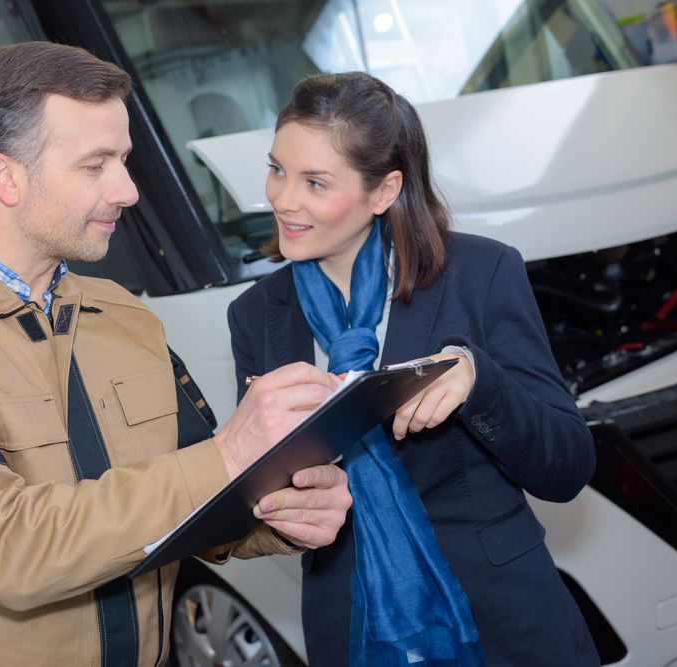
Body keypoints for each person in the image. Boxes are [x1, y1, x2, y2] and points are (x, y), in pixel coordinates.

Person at [0, 43, 352, 666]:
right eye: (96, 166)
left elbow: (195, 494)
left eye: (123, 160)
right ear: (4, 176)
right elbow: (3, 549)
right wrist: (231, 453)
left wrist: (282, 514)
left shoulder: (123, 318)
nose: (127, 190)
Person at [227, 72, 599, 666]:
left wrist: (480, 383)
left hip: (506, 623)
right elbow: (261, 490)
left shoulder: (480, 274)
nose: (281, 199)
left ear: (384, 191)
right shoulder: (255, 315)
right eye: (277, 170)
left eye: (315, 182)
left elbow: (567, 468)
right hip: (351, 628)